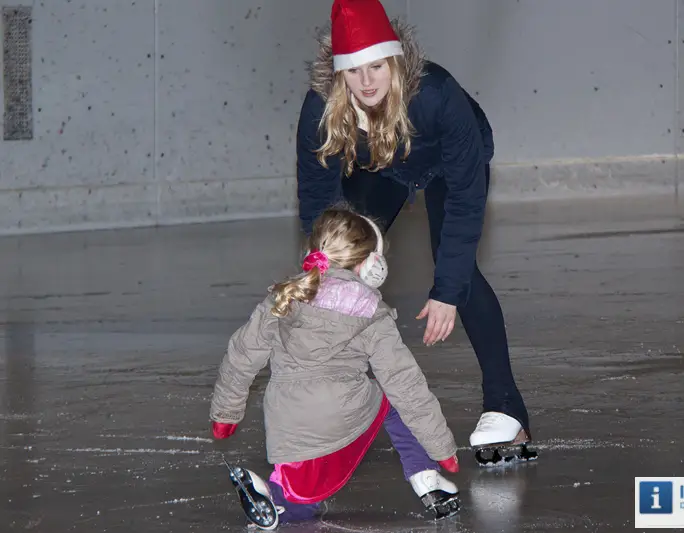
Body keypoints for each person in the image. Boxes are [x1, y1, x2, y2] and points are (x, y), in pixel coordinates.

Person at [295, 0, 537, 465]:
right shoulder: (321, 107)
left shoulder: (438, 94)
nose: (367, 82)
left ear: (396, 60)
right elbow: (317, 198)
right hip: (380, 165)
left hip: (447, 165)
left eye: (377, 67)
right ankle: (325, 407)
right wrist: (323, 267)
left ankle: (507, 407)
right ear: (337, 73)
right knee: (339, 271)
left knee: (458, 272)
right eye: (354, 71)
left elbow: (467, 202)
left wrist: (446, 290)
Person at [209, 207, 461, 529]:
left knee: (300, 496)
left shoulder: (284, 297)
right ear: (372, 265)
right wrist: (441, 447)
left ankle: (273, 497)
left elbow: (241, 355)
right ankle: (425, 475)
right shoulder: (371, 310)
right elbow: (405, 384)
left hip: (288, 426)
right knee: (393, 401)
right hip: (345, 416)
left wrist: (225, 415)